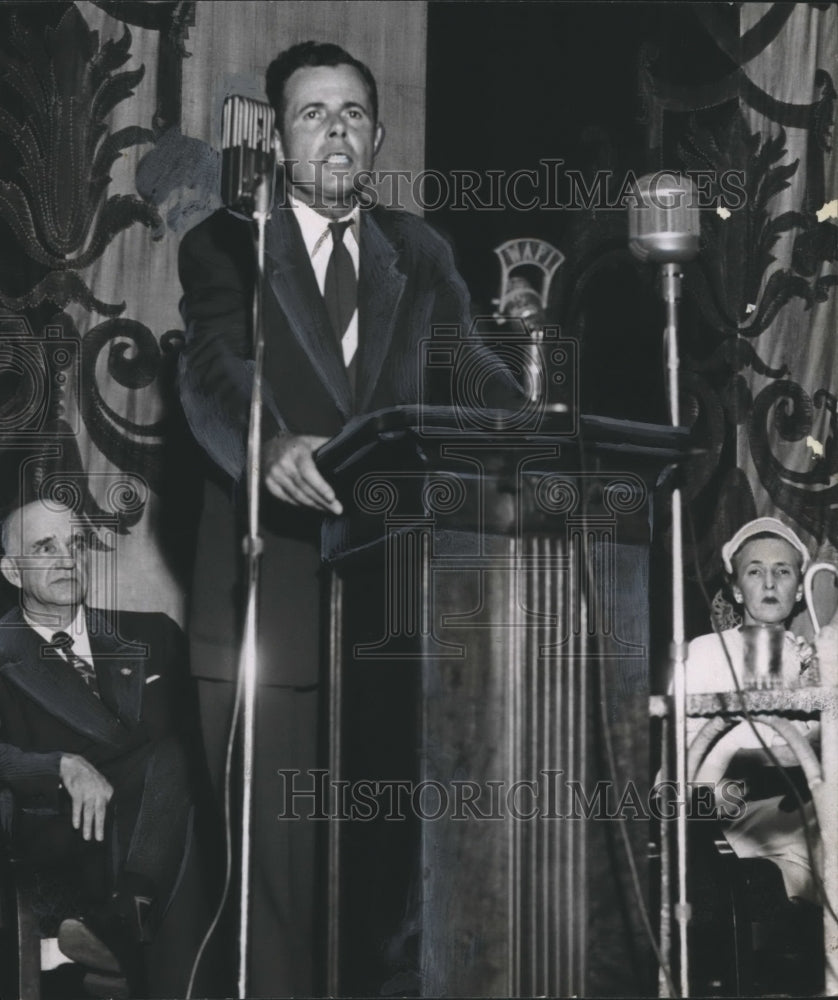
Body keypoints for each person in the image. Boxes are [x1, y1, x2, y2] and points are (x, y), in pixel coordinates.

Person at [177, 39, 493, 996]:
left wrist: (543, 432)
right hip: (268, 602)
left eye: (352, 112)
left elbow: (470, 372)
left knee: (380, 878)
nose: (336, 131)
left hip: (389, 605)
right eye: (313, 114)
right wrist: (266, 445)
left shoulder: (420, 249)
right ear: (278, 137)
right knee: (275, 881)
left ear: (379, 133)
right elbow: (214, 371)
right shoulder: (227, 240)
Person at [0, 499, 198, 996]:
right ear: (11, 570)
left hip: (162, 830)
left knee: (176, 757)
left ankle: (113, 931)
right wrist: (59, 765)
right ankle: (108, 935)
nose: (67, 559)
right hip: (57, 833)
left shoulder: (154, 634)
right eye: (45, 548)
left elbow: (200, 743)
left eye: (76, 544)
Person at [686, 516, 829, 904]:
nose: (769, 583)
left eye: (782, 572)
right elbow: (695, 763)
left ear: (800, 590)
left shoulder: (811, 656)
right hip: (724, 813)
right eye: (755, 571)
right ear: (735, 588)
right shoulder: (707, 651)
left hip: (794, 812)